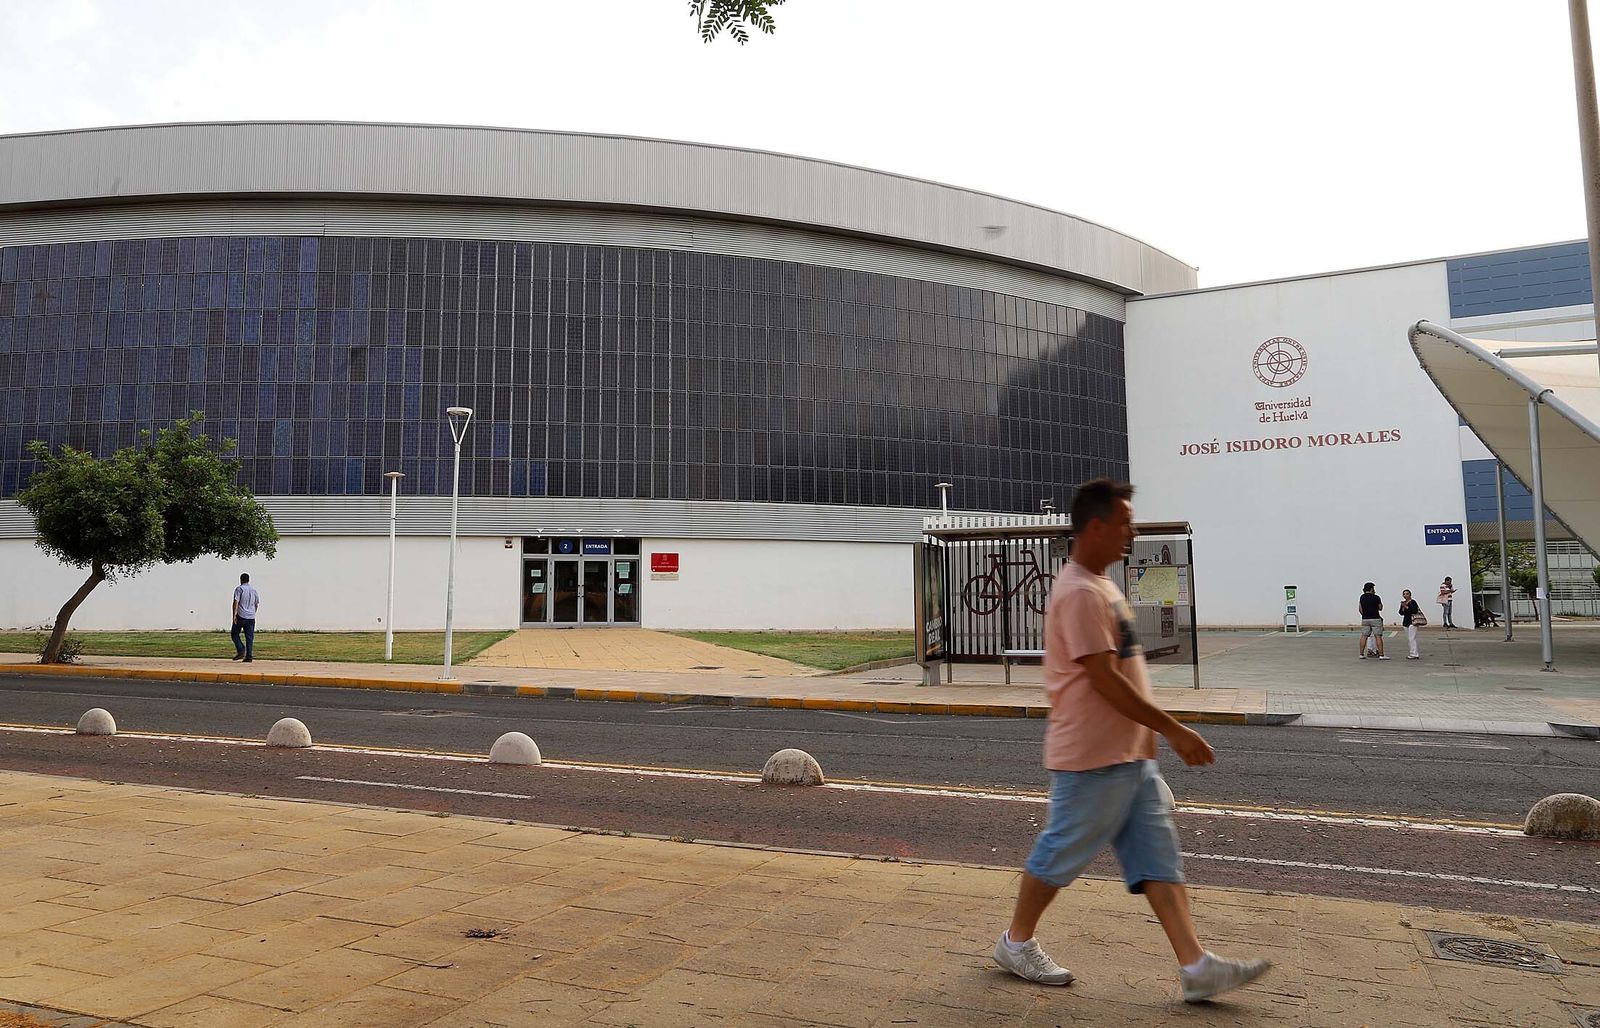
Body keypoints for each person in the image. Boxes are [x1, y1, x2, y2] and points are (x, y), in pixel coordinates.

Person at [992, 479, 1270, 1003]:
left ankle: (1196, 966)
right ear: (1096, 526)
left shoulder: (1100, 585)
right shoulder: (1077, 591)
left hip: (1129, 756)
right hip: (1092, 756)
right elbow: (1103, 678)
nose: (1132, 532)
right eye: (1124, 522)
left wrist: (1152, 739)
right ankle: (1015, 942)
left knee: (1157, 857)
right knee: (1059, 853)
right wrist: (1172, 727)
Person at [231, 573, 260, 663]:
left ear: (241, 579)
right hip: (251, 616)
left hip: (241, 615)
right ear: (248, 580)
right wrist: (253, 612)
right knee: (249, 637)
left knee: (234, 633)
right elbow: (256, 604)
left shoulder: (239, 589)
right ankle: (249, 656)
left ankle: (241, 649)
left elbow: (236, 602)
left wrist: (234, 615)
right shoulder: (254, 590)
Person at [1357, 582, 1388, 660]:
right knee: (1378, 636)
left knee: (1364, 636)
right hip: (1375, 618)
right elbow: (1380, 608)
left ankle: (1361, 654)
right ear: (1371, 589)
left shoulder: (1362, 597)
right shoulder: (1376, 597)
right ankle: (1381, 655)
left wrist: (1364, 615)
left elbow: (1360, 609)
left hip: (1365, 619)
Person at [1398, 589, 1421, 660]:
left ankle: (1414, 654)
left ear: (1410, 594)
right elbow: (1401, 613)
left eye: (1407, 594)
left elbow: (1414, 610)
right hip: (1406, 622)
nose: (1405, 595)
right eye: (1404, 594)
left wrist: (1406, 607)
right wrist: (1403, 607)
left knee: (1412, 638)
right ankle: (1412, 652)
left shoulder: (1412, 602)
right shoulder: (1403, 603)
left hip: (1412, 622)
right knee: (1409, 638)